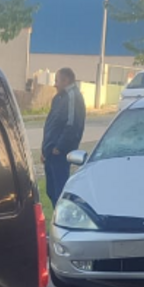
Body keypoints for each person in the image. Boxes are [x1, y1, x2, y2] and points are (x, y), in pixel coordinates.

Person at [41, 67, 86, 207]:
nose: (55, 84)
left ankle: (61, 222)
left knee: (60, 192)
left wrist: (59, 147)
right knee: (51, 192)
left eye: (57, 80)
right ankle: (56, 221)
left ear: (66, 81)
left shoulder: (73, 96)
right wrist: (45, 149)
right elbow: (51, 124)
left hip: (60, 154)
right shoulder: (59, 97)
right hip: (50, 152)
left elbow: (72, 125)